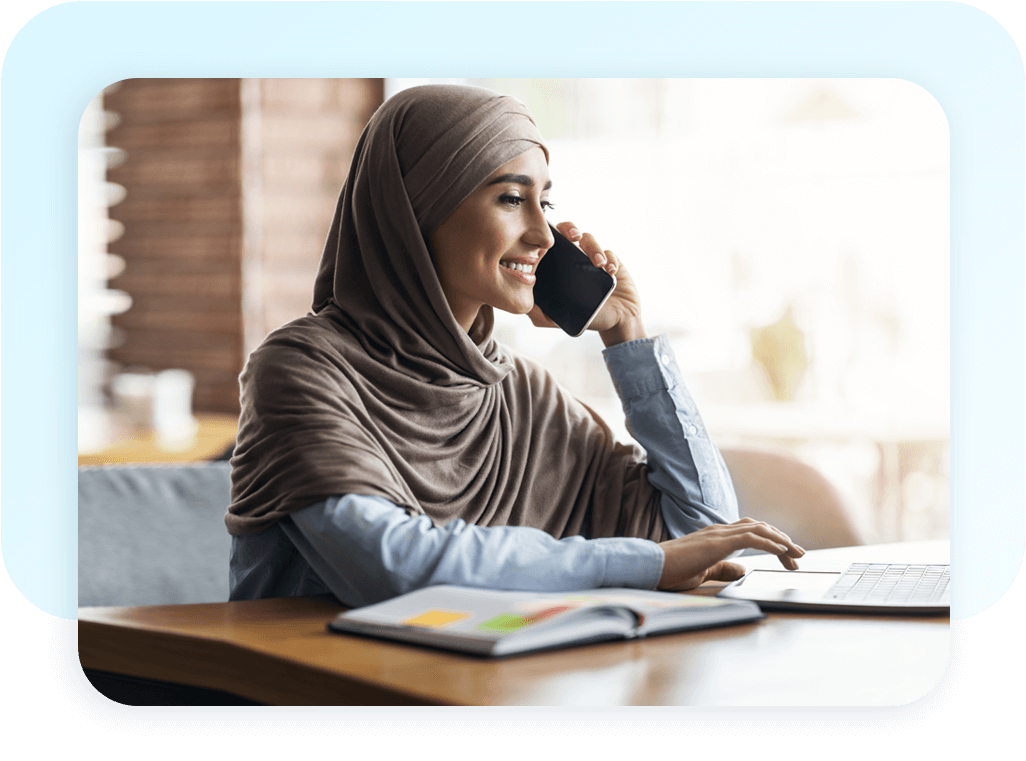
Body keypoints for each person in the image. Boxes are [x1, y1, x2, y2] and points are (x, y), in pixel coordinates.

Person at [225, 84, 804, 608]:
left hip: (477, 688)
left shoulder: (518, 393)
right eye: (510, 198)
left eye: (545, 202)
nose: (543, 235)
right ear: (415, 213)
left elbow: (699, 530)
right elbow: (393, 565)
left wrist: (625, 333)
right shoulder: (301, 369)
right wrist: (640, 565)